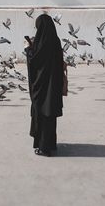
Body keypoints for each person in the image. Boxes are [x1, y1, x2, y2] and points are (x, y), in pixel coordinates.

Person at [26, 14, 64, 157]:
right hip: (53, 87)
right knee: (50, 117)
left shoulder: (41, 43)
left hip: (42, 89)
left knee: (42, 115)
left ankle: (44, 148)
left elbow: (34, 61)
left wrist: (28, 49)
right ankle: (50, 144)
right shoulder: (55, 40)